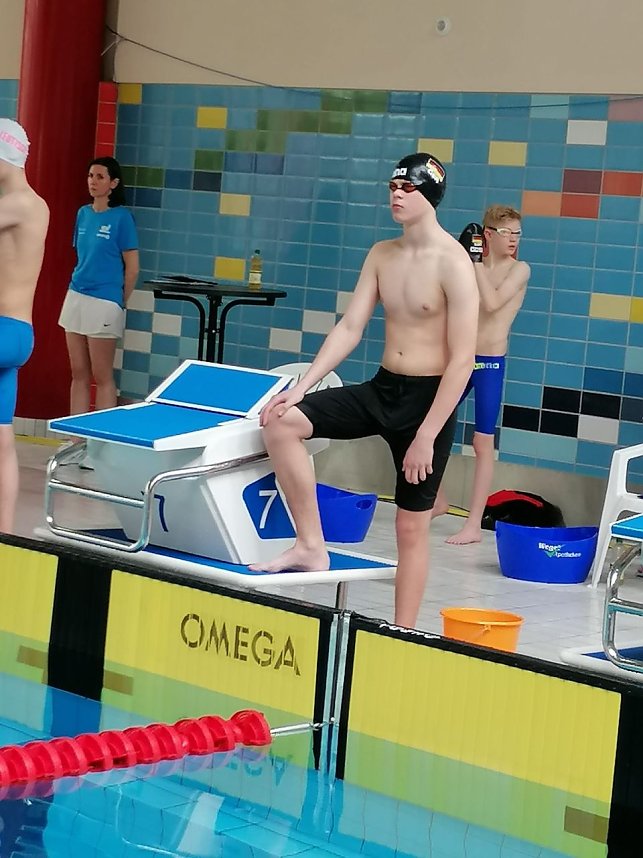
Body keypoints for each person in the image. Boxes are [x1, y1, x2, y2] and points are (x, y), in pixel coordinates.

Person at [250, 153, 479, 629]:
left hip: (428, 404)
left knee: (410, 527)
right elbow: (351, 326)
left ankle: (403, 632)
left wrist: (426, 435)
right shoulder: (382, 254)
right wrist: (302, 387)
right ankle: (311, 545)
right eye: (393, 186)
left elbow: (463, 361)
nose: (395, 195)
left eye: (407, 188)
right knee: (281, 422)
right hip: (382, 388)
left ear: (430, 196)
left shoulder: (454, 264)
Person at [434, 205, 530, 544]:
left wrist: (472, 262)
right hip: (461, 358)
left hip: (490, 362)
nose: (515, 240)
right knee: (424, 425)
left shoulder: (520, 270)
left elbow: (490, 304)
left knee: (482, 442)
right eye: (508, 234)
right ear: (488, 234)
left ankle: (473, 524)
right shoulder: (469, 266)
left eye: (519, 234)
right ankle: (438, 499)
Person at [58, 156, 139, 462]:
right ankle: (75, 440)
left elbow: (132, 268)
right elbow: (81, 256)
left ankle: (99, 448)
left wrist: (119, 300)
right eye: (90, 175)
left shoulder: (122, 218)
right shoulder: (82, 214)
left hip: (106, 301)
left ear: (113, 183)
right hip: (77, 295)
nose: (93, 181)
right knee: (78, 373)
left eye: (100, 176)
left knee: (102, 376)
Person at [0, 118, 50, 532]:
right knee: (2, 443)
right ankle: (5, 535)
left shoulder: (18, 202)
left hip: (2, 331)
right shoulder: (35, 205)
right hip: (16, 335)